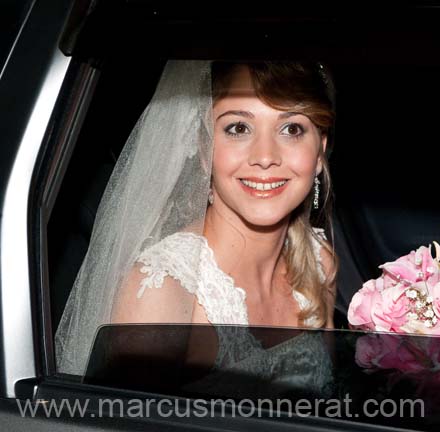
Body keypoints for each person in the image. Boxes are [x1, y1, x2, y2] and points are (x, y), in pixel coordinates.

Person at [54, 61, 338, 383]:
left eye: (291, 129)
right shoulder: (163, 292)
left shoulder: (318, 263)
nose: (265, 156)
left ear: (319, 153)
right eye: (239, 128)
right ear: (205, 151)